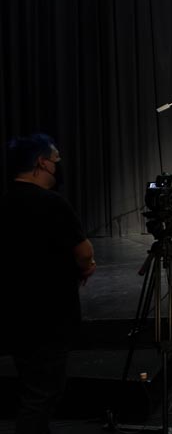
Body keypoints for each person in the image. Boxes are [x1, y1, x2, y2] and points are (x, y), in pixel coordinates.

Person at [1, 133, 97, 433]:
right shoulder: (52, 203)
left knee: (32, 387)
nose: (59, 166)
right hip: (49, 318)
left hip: (13, 314)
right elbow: (84, 253)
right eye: (56, 161)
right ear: (41, 163)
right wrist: (87, 267)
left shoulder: (4, 201)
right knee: (42, 395)